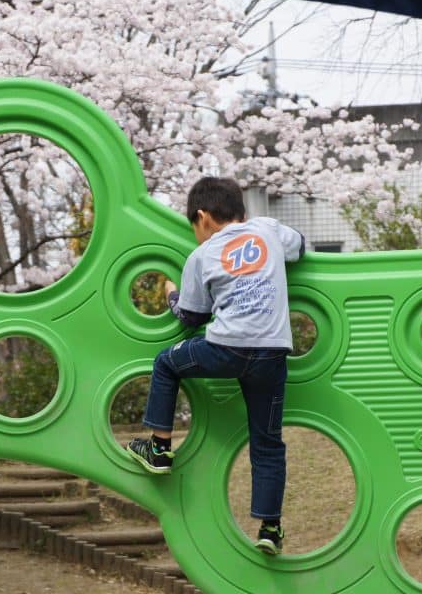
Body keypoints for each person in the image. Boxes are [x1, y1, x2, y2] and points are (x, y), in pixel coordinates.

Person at [126, 176, 305, 554]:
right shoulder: (267, 230)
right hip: (272, 353)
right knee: (268, 442)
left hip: (226, 350)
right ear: (240, 211)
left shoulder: (202, 255)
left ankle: (159, 449)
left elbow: (190, 317)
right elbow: (301, 248)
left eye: (194, 226)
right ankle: (270, 529)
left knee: (166, 364)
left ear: (203, 217)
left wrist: (172, 294)